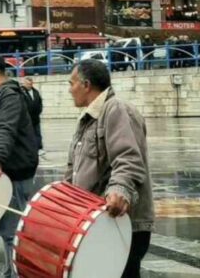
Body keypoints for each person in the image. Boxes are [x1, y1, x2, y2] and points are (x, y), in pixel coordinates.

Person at [66, 61, 154, 278]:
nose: (69, 89)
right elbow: (73, 170)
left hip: (122, 224)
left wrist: (119, 190)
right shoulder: (87, 119)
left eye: (71, 83)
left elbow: (128, 158)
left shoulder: (116, 110)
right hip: (97, 223)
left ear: (86, 85)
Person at [0, 53, 39, 278]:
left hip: (14, 170)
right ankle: (9, 272)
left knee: (12, 230)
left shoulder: (9, 96)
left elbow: (6, 129)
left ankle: (19, 273)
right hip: (6, 170)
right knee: (6, 229)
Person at [21, 77, 44, 153]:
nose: (29, 85)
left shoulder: (35, 92)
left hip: (35, 118)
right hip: (27, 119)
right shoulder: (21, 92)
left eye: (30, 83)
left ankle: (39, 148)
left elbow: (40, 103)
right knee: (28, 134)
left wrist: (39, 111)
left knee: (37, 133)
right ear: (24, 83)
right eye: (27, 83)